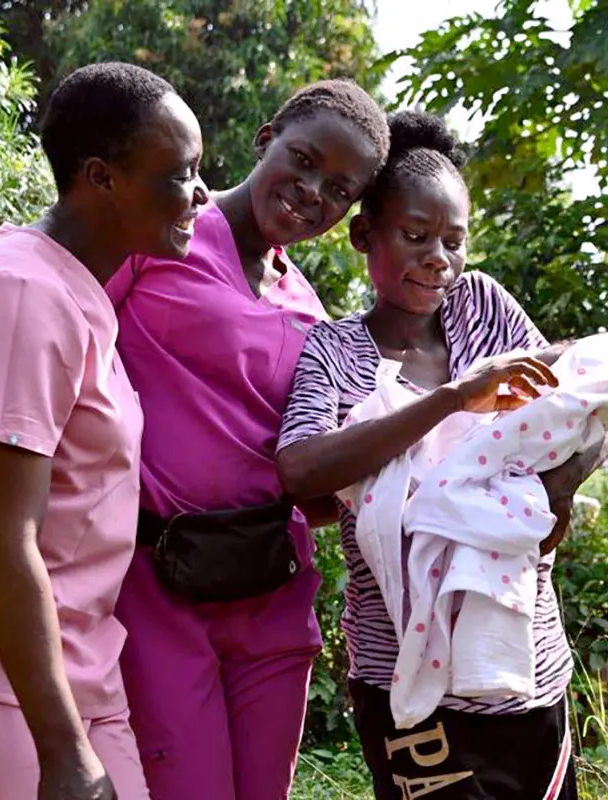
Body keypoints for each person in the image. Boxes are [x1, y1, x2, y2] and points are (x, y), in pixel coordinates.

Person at [0, 62, 208, 800]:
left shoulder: (69, 290)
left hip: (60, 666)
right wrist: (63, 751)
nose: (201, 195)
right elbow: (1, 536)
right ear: (101, 176)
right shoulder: (20, 296)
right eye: (181, 173)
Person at [277, 110, 603, 800]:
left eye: (454, 242)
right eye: (416, 236)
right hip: (409, 691)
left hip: (529, 674)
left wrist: (553, 495)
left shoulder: (481, 308)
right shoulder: (333, 352)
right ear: (365, 235)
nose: (439, 259)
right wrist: (453, 399)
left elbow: (576, 417)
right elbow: (301, 471)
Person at [105, 79, 390, 799]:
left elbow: (323, 458)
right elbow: (59, 343)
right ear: (265, 138)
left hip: (271, 584)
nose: (310, 192)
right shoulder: (159, 234)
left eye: (338, 190)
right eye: (302, 160)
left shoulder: (307, 305)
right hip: (156, 579)